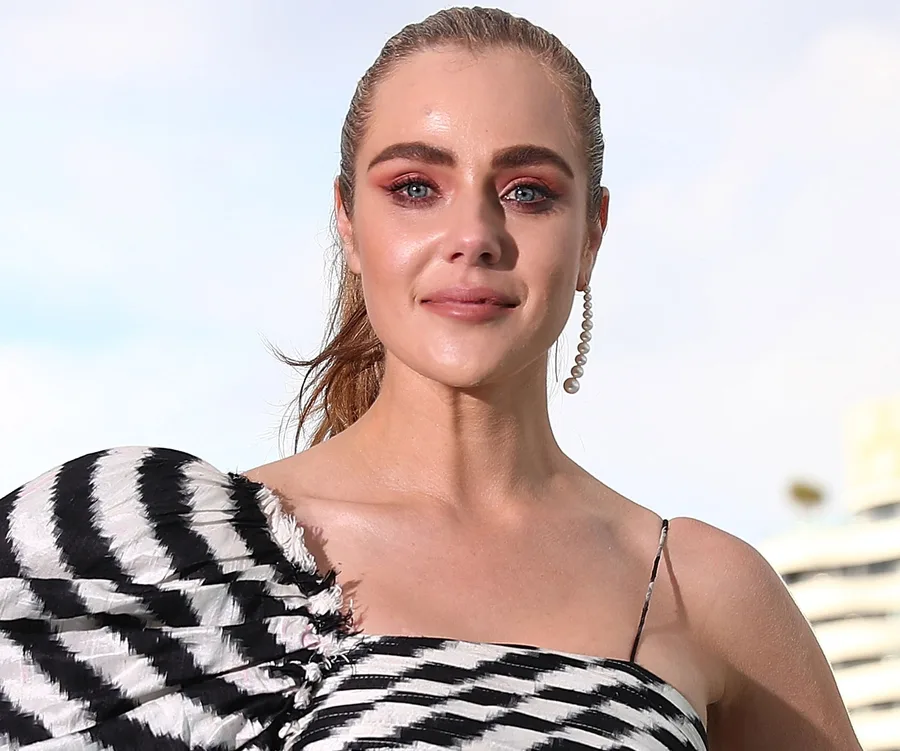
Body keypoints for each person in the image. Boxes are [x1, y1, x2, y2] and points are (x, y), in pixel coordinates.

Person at [0, 7, 862, 751]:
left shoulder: (700, 588)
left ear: (592, 235)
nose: (474, 235)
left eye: (528, 191)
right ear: (348, 221)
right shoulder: (163, 554)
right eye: (416, 187)